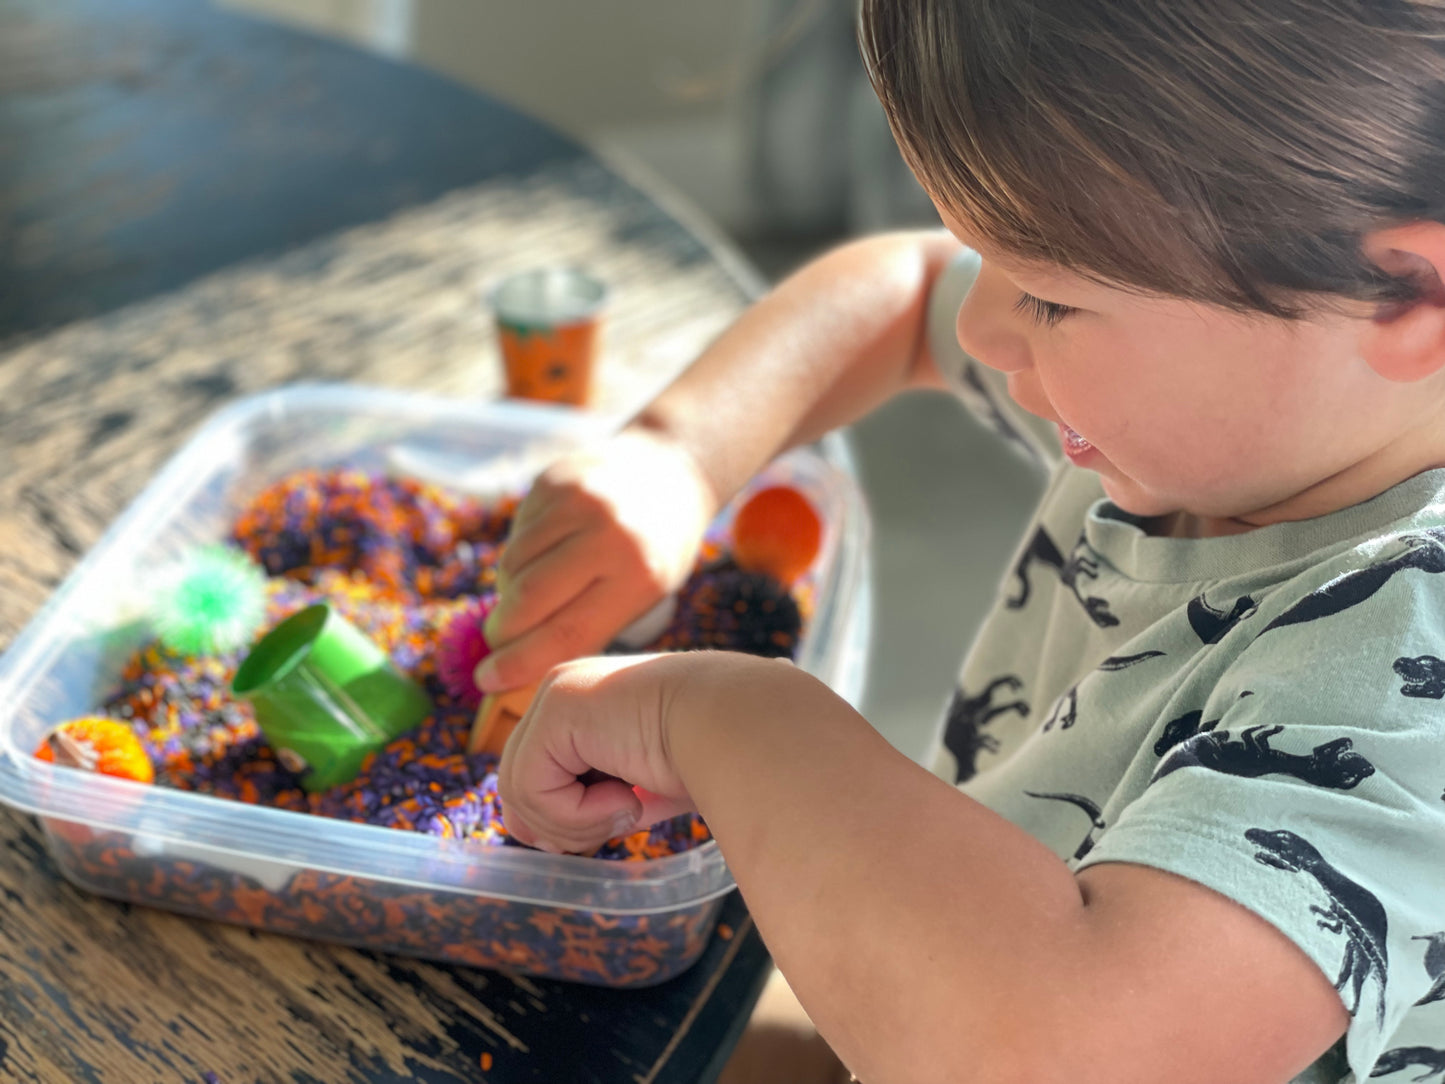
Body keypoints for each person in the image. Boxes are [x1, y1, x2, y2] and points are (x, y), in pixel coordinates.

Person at [475, 2, 1445, 1080]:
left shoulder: (1407, 668)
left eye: (1043, 293)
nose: (981, 328)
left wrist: (718, 713)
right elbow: (890, 290)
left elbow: (1053, 1053)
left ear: (1403, 292)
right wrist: (676, 454)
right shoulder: (1258, 388)